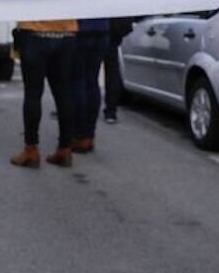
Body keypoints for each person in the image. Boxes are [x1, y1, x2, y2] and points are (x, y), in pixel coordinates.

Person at [10, 20, 78, 168]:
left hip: (34, 32)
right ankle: (65, 148)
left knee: (33, 92)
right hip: (66, 32)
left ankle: (31, 149)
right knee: (64, 92)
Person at [71, 18, 110, 153]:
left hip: (80, 29)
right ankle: (89, 135)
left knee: (77, 81)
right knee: (92, 81)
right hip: (102, 29)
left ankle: (79, 135)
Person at [102, 17, 134, 125]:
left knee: (89, 73)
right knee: (112, 70)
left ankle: (82, 109)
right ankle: (111, 111)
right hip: (115, 29)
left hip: (97, 28)